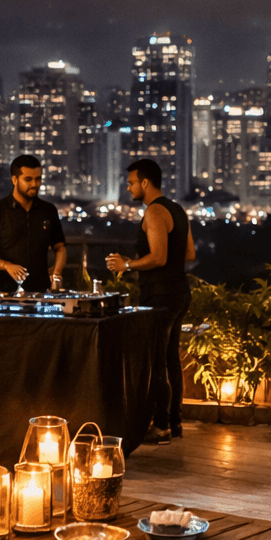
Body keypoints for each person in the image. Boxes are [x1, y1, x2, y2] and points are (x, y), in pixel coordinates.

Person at [106, 159, 195, 444]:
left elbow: (158, 257)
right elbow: (189, 253)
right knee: (170, 359)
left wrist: (127, 265)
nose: (129, 187)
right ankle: (175, 423)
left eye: (131, 182)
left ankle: (161, 426)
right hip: (179, 291)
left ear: (145, 183)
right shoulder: (177, 210)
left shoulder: (155, 211)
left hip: (160, 294)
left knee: (157, 360)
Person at [0, 154, 67, 293]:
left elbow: (60, 247)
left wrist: (57, 273)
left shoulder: (48, 210)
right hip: (5, 291)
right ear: (14, 180)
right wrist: (6, 265)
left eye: (38, 179)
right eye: (28, 179)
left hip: (41, 292)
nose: (35, 184)